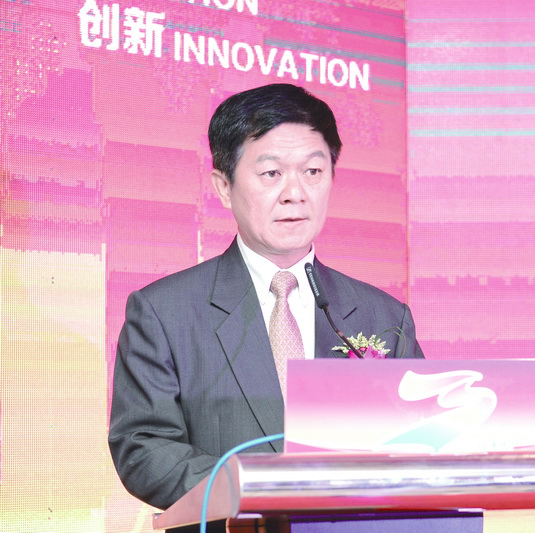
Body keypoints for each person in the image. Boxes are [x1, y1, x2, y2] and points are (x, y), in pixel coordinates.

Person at [108, 83, 424, 511]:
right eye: (272, 173)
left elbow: (420, 440)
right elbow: (144, 447)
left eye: (313, 172)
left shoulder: (383, 317)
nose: (295, 193)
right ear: (224, 186)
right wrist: (262, 490)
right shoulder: (164, 312)